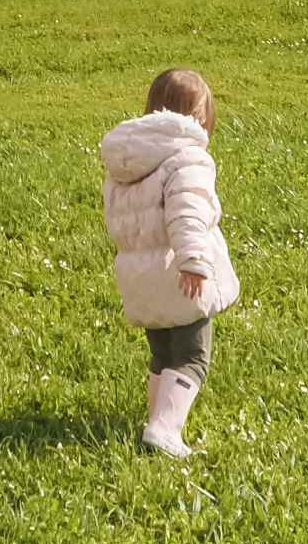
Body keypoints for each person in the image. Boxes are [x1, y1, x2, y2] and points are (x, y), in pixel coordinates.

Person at [99, 68, 241, 458]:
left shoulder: (128, 160)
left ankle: (156, 417)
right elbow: (187, 214)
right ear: (198, 118)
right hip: (179, 274)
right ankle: (164, 428)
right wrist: (194, 261)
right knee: (193, 356)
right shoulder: (187, 157)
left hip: (139, 277)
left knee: (163, 353)